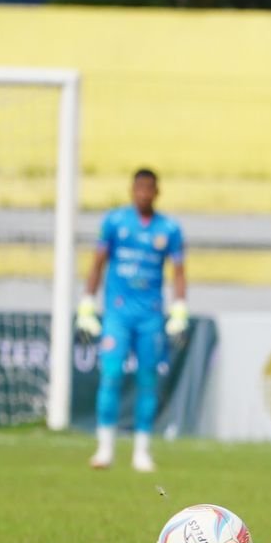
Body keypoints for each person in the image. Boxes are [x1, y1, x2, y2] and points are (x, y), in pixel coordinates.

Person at [76, 168, 188, 473]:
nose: (143, 193)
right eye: (139, 188)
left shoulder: (170, 229)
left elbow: (178, 272)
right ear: (132, 190)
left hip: (150, 316)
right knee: (111, 375)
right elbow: (98, 263)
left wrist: (179, 309)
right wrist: (87, 302)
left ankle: (141, 451)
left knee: (147, 382)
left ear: (156, 191)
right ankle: (105, 449)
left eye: (149, 188)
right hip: (117, 314)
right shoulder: (114, 222)